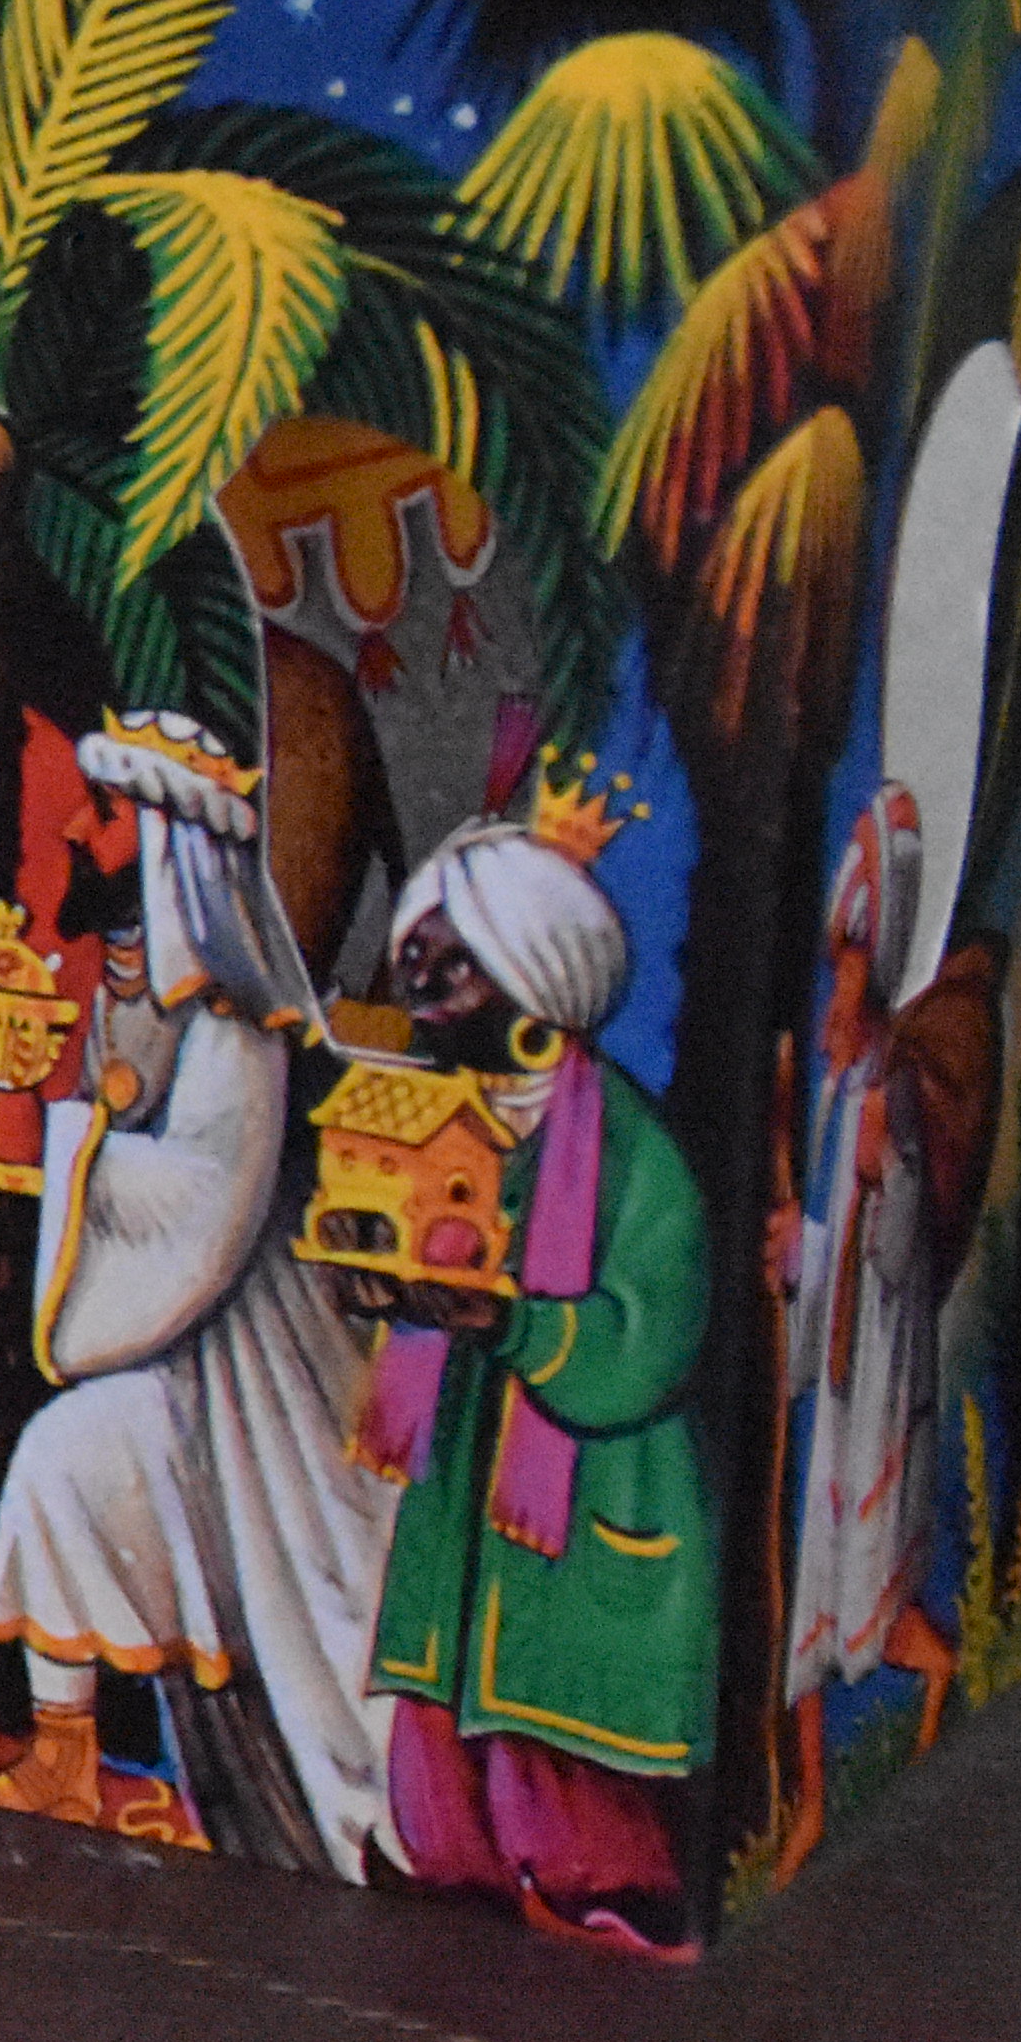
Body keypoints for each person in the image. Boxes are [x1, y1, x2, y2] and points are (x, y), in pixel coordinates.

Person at [0, 715, 395, 1871]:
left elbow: (205, 1203)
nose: (73, 828)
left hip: (262, 1398)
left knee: (89, 1470)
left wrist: (62, 1149)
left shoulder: (241, 1030)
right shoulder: (140, 989)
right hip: (181, 1370)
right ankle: (64, 1760)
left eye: (103, 815)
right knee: (62, 1465)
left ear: (167, 847)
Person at [354, 787, 717, 1951]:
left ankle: (594, 1890)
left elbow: (647, 1338)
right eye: (415, 957)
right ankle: (451, 1864)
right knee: (441, 1706)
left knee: (547, 1728)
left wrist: (509, 1321)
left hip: (586, 1487)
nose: (420, 984)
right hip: (467, 1479)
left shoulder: (630, 1154)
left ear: (531, 980)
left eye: (451, 964)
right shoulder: (439, 1119)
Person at [766, 787, 997, 1872]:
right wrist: (796, 1245)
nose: (837, 994)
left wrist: (880, 1181)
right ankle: (810, 1805)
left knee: (869, 1598)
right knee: (812, 1618)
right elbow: (826, 1242)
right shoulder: (836, 1087)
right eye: (836, 969)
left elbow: (897, 1257)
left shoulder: (886, 1098)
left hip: (875, 1391)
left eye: (853, 969)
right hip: (832, 1393)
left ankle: (937, 1682)